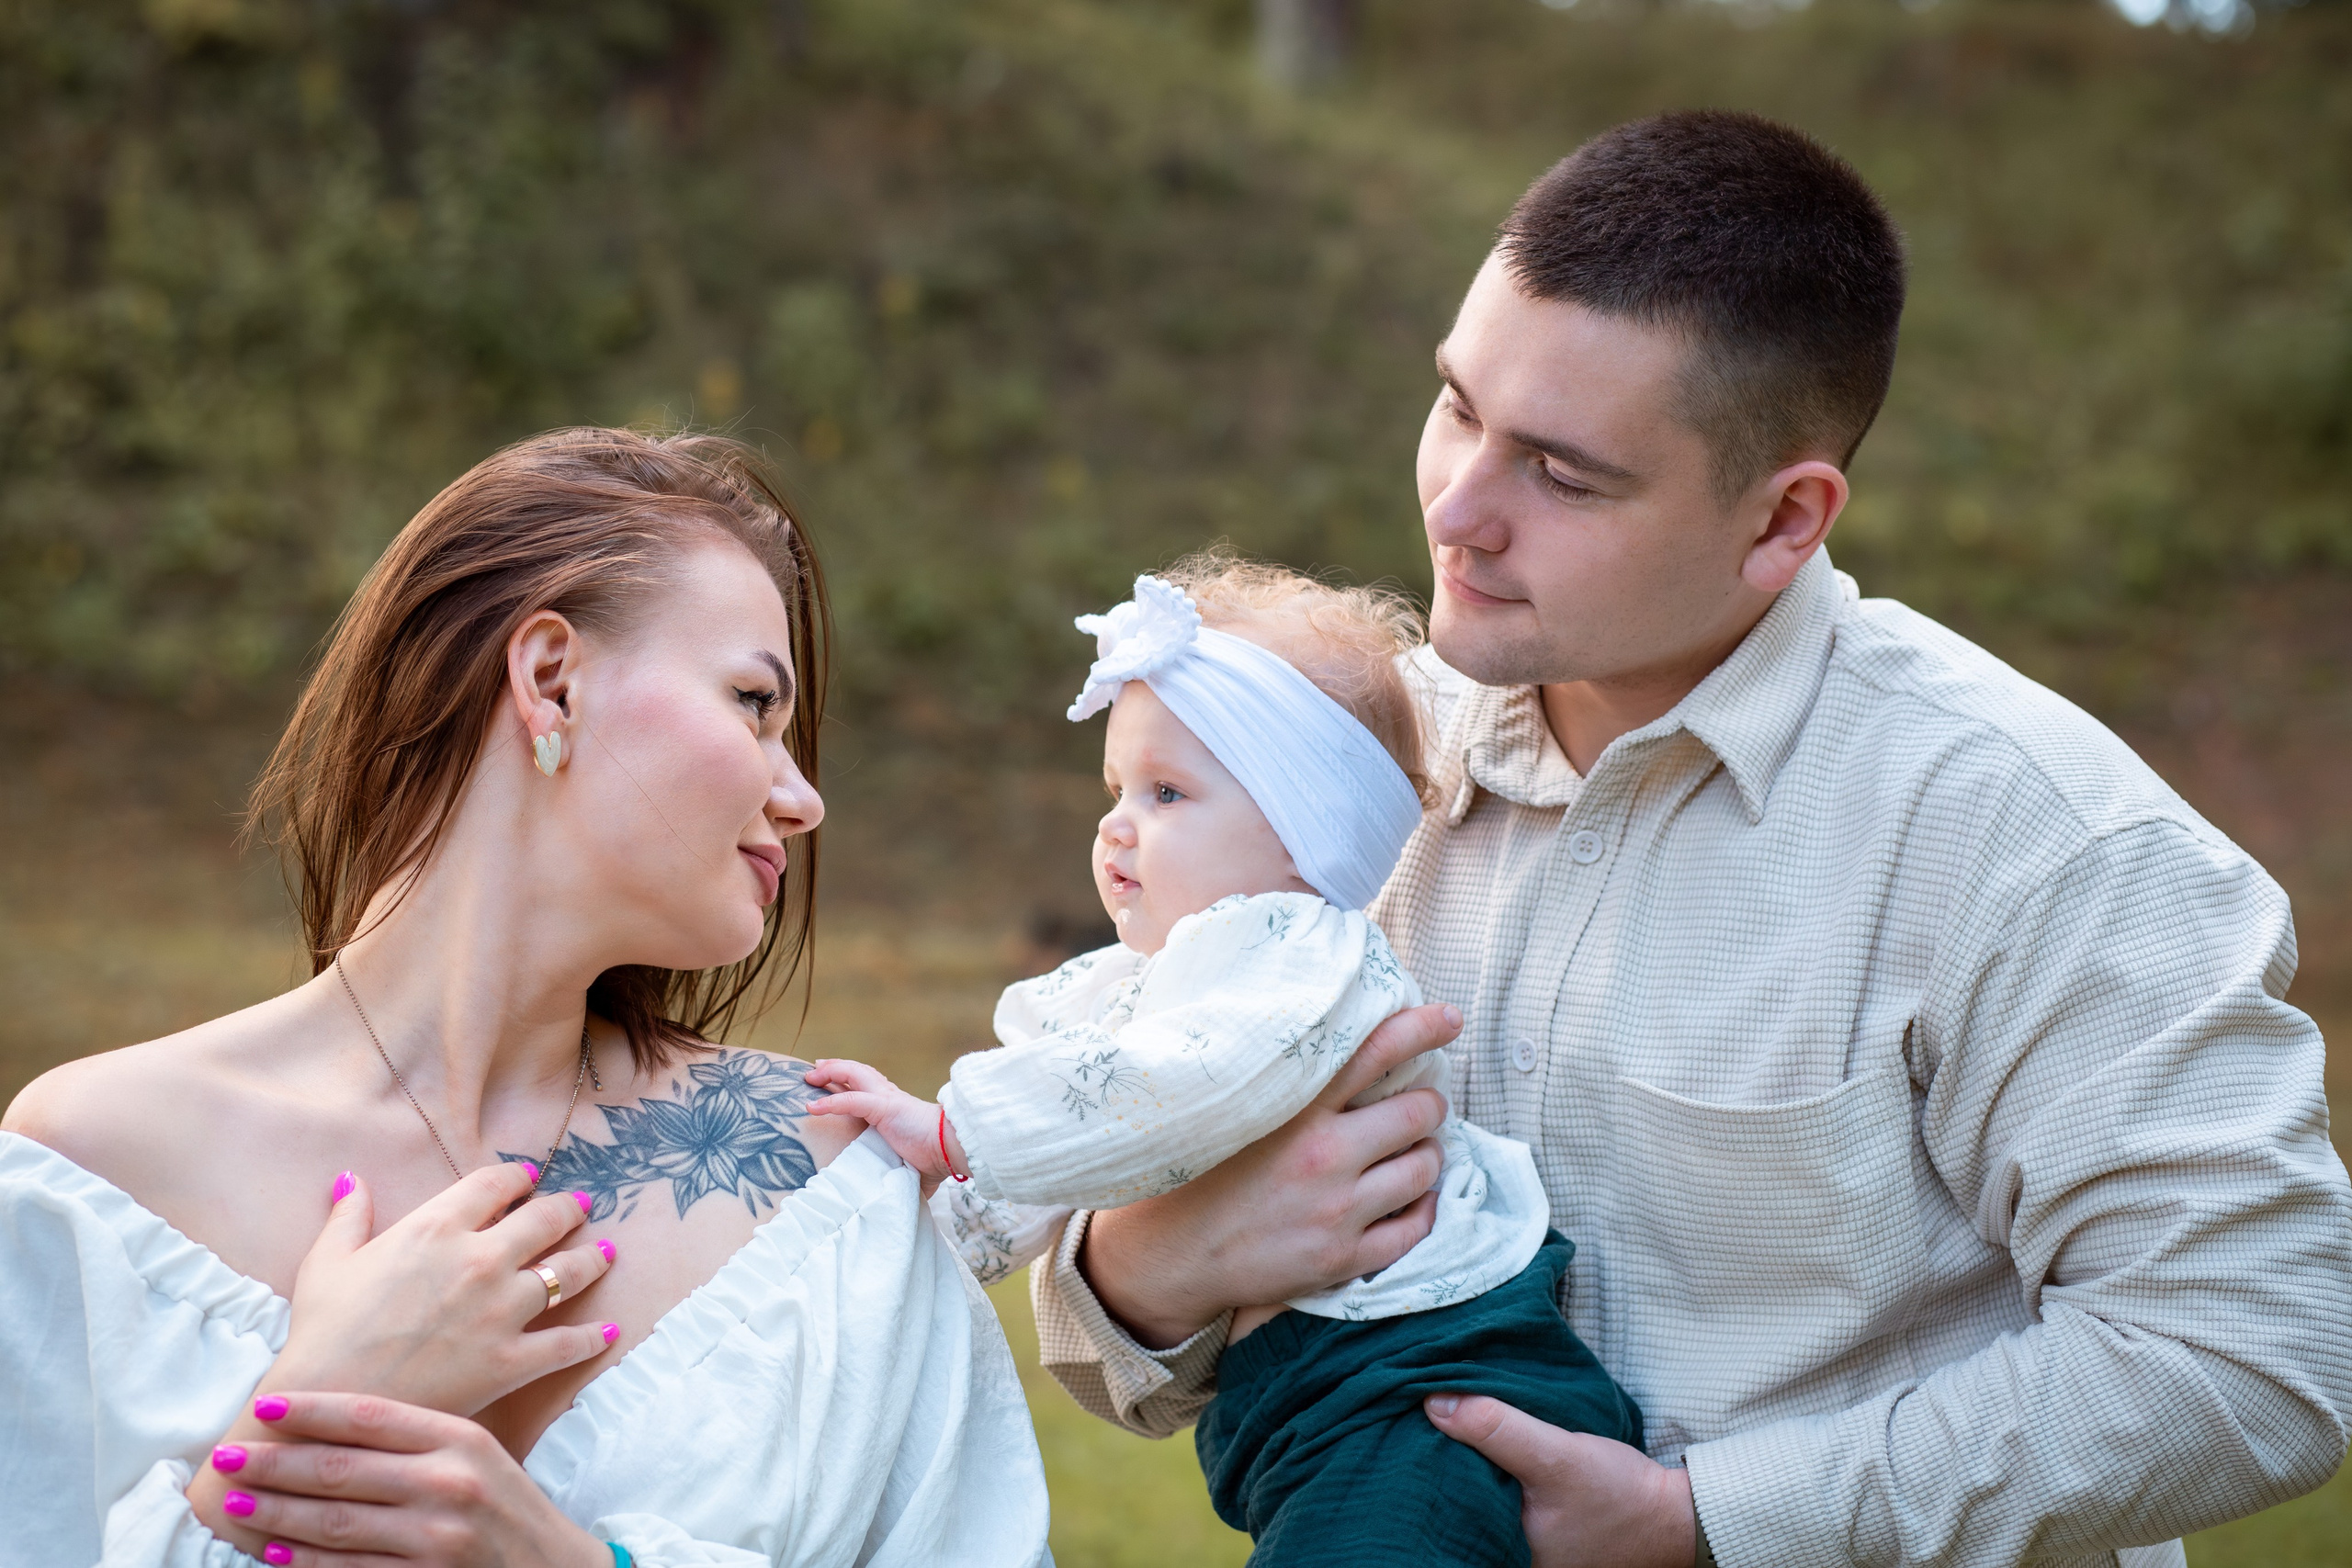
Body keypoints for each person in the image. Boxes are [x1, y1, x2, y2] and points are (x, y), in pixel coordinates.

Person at [1026, 111, 2352, 1567]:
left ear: (1785, 518)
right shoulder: (1339, 771)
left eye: (1564, 474)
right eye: (1459, 407)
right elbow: (1124, 1261)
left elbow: (2257, 1345)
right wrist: (1138, 1270)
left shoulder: (2036, 837)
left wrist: (1712, 1521)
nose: (1459, 510)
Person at [0, 429, 1050, 1567]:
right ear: (551, 680)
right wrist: (308, 1419)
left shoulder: (831, 1191)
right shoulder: (91, 1173)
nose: (802, 799)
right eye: (754, 702)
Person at [807, 558, 1638, 1565]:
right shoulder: (1167, 981)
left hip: (1424, 1386)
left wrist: (954, 1131)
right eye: (1116, 788)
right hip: (1313, 1390)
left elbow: (1162, 1098)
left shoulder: (1300, 959)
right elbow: (1094, 1149)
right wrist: (921, 1233)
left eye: (1166, 791)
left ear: (1307, 832)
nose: (1117, 824)